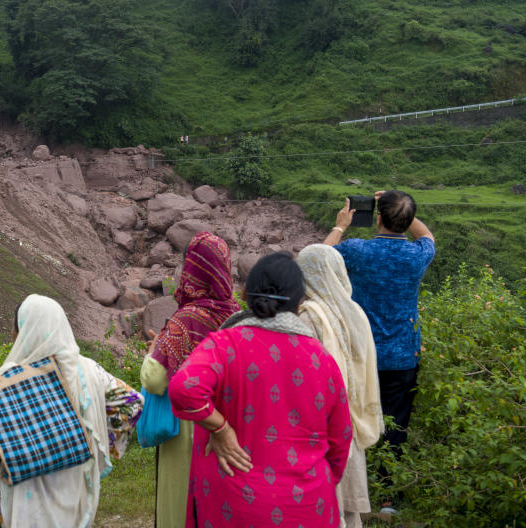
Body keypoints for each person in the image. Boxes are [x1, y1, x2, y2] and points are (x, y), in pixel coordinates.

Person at [169, 252, 352, 527]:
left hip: (234, 504)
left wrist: (221, 429)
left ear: (246, 294)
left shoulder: (224, 345)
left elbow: (185, 388)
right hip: (308, 504)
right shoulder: (322, 359)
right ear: (300, 301)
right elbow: (341, 440)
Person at [0, 294, 143, 528]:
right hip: (76, 501)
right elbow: (133, 403)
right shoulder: (89, 370)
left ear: (22, 332)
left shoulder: (10, 379)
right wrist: (95, 441)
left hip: (24, 509)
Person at [324, 189, 435, 498]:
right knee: (395, 424)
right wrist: (402, 209)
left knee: (355, 419)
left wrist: (340, 226)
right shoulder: (418, 254)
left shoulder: (358, 250)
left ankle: (351, 489)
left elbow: (318, 257)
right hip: (402, 356)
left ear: (378, 218)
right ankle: (387, 497)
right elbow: (426, 234)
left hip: (360, 353)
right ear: (409, 220)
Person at [141, 231, 239, 528]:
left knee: (180, 504)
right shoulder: (235, 316)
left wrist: (153, 351)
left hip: (188, 428)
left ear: (191, 271)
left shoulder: (185, 319)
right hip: (228, 422)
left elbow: (155, 381)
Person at [297, 244, 384, 528]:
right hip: (353, 421)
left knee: (327, 504)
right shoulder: (355, 311)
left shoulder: (307, 317)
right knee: (348, 512)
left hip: (323, 427)